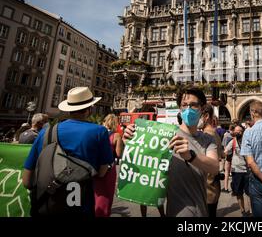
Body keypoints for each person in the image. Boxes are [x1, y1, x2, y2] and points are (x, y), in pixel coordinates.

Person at [124, 87, 219, 217]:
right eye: (184, 105)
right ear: (180, 109)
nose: (188, 109)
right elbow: (142, 160)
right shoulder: (164, 135)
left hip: (201, 212)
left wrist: (191, 156)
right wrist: (130, 140)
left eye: (193, 105)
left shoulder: (208, 139)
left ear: (202, 109)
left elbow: (214, 168)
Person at [22, 87, 114, 216]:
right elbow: (102, 172)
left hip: (46, 206)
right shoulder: (99, 132)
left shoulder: (46, 133)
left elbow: (26, 180)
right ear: (90, 109)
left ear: (69, 109)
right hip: (81, 206)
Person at [94, 114, 124, 217]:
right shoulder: (116, 136)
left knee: (95, 193)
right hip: (108, 169)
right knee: (106, 195)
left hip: (96, 167)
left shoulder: (97, 132)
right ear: (115, 123)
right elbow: (119, 154)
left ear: (104, 121)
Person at [199, 104, 223, 217]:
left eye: (198, 116)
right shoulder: (214, 133)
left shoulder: (205, 135)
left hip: (206, 189)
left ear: (206, 116)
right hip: (212, 188)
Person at [225, 124, 251, 217]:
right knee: (238, 192)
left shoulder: (247, 141)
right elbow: (226, 151)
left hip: (247, 170)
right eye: (236, 131)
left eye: (239, 131)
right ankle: (243, 211)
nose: (237, 132)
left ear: (243, 132)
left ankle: (251, 211)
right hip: (236, 170)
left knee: (249, 192)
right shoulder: (233, 142)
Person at [222, 124, 234, 192]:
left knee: (226, 172)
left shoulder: (226, 135)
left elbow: (224, 146)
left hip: (228, 155)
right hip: (234, 155)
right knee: (233, 172)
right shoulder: (235, 135)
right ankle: (234, 187)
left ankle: (226, 188)